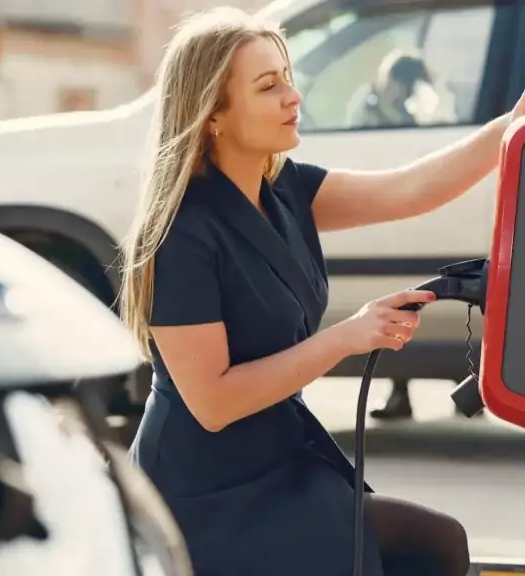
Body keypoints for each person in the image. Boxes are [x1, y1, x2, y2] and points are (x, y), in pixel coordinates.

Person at [120, 7, 522, 575]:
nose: (293, 96)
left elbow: (411, 190)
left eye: (287, 77)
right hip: (204, 494)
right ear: (213, 114)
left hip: (280, 460)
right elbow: (213, 404)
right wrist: (348, 337)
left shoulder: (286, 187)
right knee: (431, 546)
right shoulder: (180, 232)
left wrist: (513, 121)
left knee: (431, 547)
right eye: (268, 86)